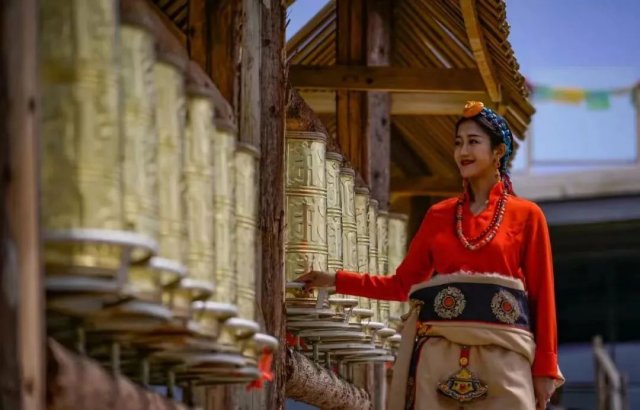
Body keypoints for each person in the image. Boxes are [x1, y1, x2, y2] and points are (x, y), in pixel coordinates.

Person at [296, 101, 564, 410]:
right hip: (438, 355)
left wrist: (545, 368)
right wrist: (334, 280)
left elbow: (542, 297)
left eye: (474, 142)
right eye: (458, 143)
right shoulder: (439, 215)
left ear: (498, 152)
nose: (463, 151)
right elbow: (402, 285)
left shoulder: (528, 216)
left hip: (505, 355)